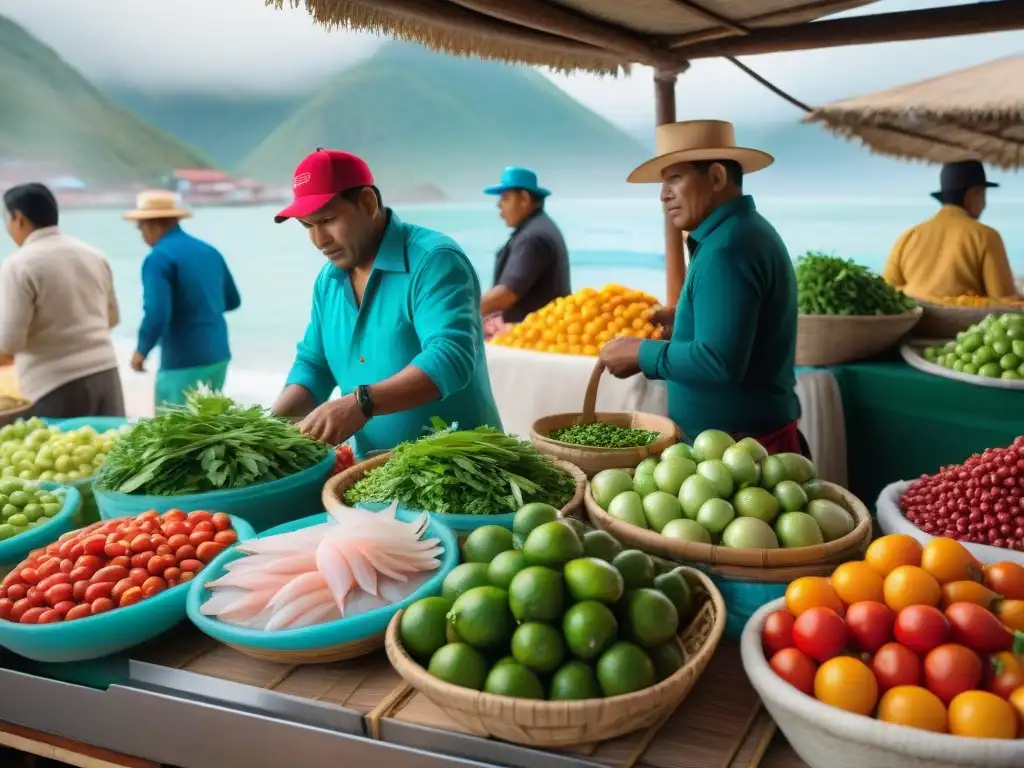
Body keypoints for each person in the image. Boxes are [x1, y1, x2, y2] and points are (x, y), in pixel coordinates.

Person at [270, 148, 502, 454]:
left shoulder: (434, 260)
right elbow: (315, 365)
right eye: (308, 226)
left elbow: (450, 357)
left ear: (367, 203)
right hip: (371, 475)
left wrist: (361, 402)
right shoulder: (328, 282)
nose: (319, 240)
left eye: (327, 219)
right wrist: (267, 428)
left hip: (463, 469)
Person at [599, 120, 805, 455]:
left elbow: (717, 362)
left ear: (716, 178)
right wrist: (682, 320)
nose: (663, 195)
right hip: (738, 443)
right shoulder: (742, 232)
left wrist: (640, 352)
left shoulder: (727, 249)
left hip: (742, 453)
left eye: (674, 179)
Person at [0, 183, 124, 417]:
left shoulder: (18, 265)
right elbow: (112, 318)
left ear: (19, 219)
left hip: (54, 385)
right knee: (111, 449)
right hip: (106, 375)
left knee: (59, 452)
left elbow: (9, 344)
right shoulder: (94, 255)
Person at [123, 191, 241, 409]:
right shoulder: (209, 251)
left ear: (152, 225)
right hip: (218, 355)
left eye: (140, 227)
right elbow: (233, 300)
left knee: (174, 436)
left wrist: (141, 351)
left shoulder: (158, 258)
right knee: (209, 428)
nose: (141, 234)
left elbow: (157, 314)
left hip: (182, 362)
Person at [883, 160, 1018, 300]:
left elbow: (887, 291)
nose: (984, 204)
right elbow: (1004, 301)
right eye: (983, 195)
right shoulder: (985, 236)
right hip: (963, 320)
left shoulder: (909, 236)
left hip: (915, 319)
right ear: (973, 194)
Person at [480, 167, 571, 326]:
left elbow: (505, 295)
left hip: (538, 333)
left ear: (524, 199)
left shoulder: (533, 238)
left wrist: (455, 313)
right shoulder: (539, 227)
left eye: (505, 198)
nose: (499, 205)